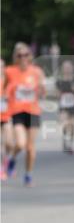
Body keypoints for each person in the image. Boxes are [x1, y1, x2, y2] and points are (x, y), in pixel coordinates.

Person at [5, 42, 46, 187]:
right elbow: (3, 87)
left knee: (30, 147)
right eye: (20, 55)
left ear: (30, 56)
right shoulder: (9, 71)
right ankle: (12, 159)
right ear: (15, 57)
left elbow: (42, 93)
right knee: (21, 144)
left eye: (26, 55)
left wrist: (41, 89)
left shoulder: (36, 71)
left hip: (33, 112)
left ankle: (28, 175)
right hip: (17, 112)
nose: (23, 57)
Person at [56, 59, 74, 154]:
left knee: (72, 126)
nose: (67, 69)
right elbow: (56, 95)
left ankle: (70, 143)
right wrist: (60, 93)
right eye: (65, 68)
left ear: (72, 69)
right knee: (65, 123)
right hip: (63, 106)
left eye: (69, 67)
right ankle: (66, 140)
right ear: (62, 69)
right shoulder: (59, 81)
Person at [1, 57, 14, 181]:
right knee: (1, 144)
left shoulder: (9, 83)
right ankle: (2, 168)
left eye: (1, 66)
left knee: (9, 143)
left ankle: (8, 159)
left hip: (7, 115)